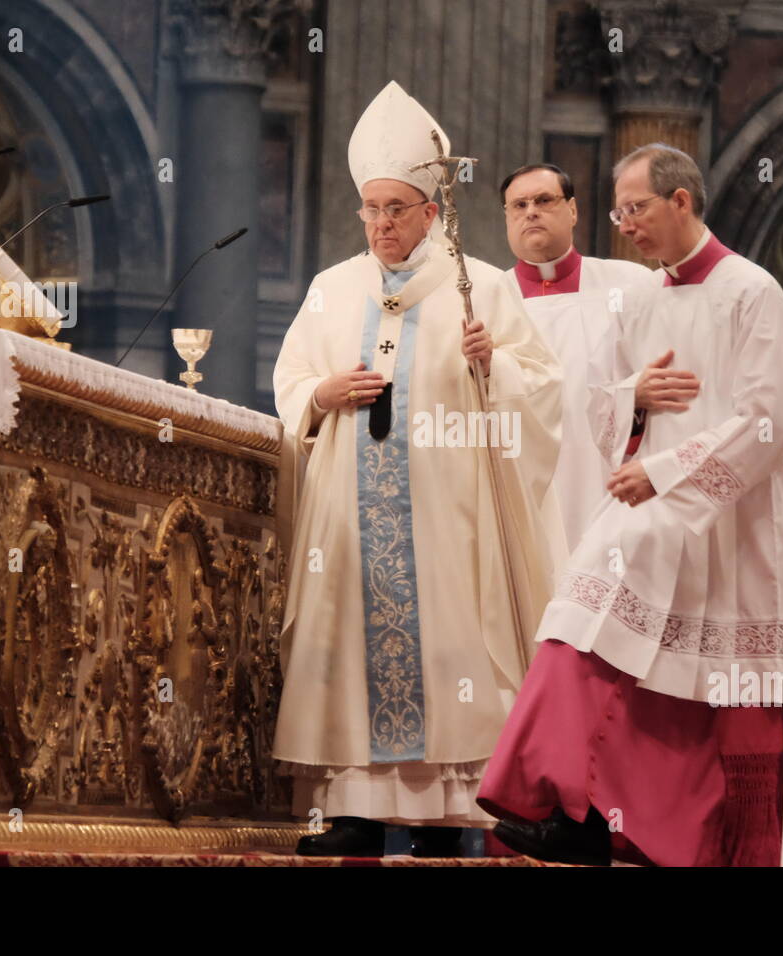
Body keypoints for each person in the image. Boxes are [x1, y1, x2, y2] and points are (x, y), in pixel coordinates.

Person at [477, 143, 783, 866]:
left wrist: (663, 473)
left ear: (681, 202)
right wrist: (633, 401)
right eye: (618, 210)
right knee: (580, 623)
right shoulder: (641, 298)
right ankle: (567, 805)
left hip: (736, 528)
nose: (624, 224)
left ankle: (662, 835)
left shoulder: (753, 293)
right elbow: (595, 398)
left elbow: (771, 420)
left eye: (636, 208)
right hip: (659, 515)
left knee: (710, 698)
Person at [272, 81, 563, 858]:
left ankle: (452, 813)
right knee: (351, 643)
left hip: (446, 511)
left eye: (395, 210)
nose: (378, 225)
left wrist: (491, 364)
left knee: (450, 645)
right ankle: (357, 809)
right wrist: (321, 394)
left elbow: (544, 395)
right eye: (369, 210)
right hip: (350, 515)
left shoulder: (482, 289)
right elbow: (291, 379)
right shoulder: (333, 288)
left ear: (431, 214)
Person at [500, 162, 654, 545]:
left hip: (606, 478)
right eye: (518, 206)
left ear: (572, 210)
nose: (530, 211)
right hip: (520, 480)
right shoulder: (487, 299)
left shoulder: (631, 285)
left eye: (543, 200)